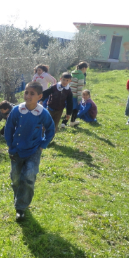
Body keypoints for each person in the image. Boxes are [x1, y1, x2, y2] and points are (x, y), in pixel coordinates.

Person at [5, 82, 55, 221]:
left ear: (39, 96)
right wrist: (10, 145)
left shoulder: (42, 113)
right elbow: (9, 128)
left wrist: (43, 145)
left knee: (28, 176)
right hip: (16, 150)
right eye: (26, 92)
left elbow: (50, 129)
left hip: (34, 150)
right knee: (15, 178)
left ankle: (20, 208)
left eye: (32, 93)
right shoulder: (17, 110)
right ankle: (19, 196)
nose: (28, 95)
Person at [67, 62, 88, 126]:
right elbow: (79, 88)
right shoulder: (81, 75)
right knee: (76, 108)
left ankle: (66, 121)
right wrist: (79, 98)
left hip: (70, 93)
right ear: (84, 68)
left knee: (70, 108)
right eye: (86, 69)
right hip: (75, 95)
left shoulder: (73, 72)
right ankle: (72, 122)